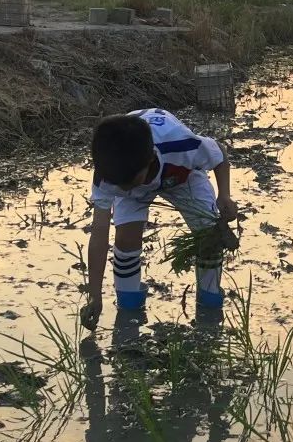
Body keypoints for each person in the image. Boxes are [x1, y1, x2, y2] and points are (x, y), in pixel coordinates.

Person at [80, 108, 239, 330]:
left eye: (128, 182)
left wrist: (225, 195)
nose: (122, 187)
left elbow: (219, 155)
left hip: (182, 177)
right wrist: (94, 295)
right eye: (118, 184)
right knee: (125, 239)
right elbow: (99, 234)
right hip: (135, 178)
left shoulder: (181, 146)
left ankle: (209, 304)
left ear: (151, 160)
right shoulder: (111, 175)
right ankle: (129, 310)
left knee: (208, 235)